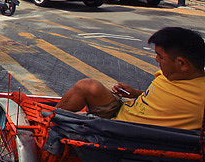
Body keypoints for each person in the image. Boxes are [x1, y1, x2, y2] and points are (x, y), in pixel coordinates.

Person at [57, 27, 205, 130]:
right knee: (88, 86)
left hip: (124, 131)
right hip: (124, 109)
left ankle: (50, 125)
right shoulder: (172, 74)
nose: (156, 60)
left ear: (182, 63)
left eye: (160, 57)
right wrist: (135, 93)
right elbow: (164, 98)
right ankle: (49, 119)